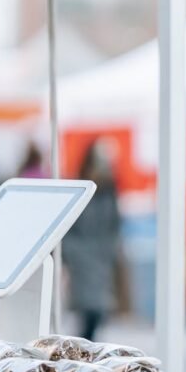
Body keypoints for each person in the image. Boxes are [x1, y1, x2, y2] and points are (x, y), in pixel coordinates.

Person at [64, 141, 123, 341]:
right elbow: (70, 225)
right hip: (82, 257)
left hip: (101, 256)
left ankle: (86, 345)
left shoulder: (109, 191)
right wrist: (71, 251)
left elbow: (114, 223)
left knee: (98, 308)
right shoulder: (80, 191)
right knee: (88, 309)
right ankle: (84, 345)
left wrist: (111, 248)